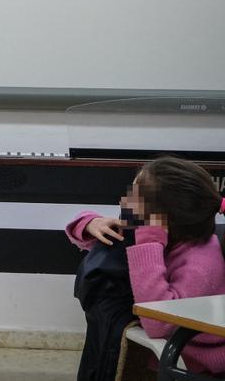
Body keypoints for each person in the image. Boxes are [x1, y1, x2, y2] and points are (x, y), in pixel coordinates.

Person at [67, 155, 225, 379]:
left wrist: (148, 245)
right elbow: (94, 244)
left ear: (160, 220)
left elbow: (158, 324)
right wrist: (90, 223)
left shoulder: (200, 264)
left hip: (194, 359)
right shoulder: (173, 234)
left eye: (133, 197)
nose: (124, 202)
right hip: (166, 345)